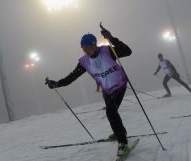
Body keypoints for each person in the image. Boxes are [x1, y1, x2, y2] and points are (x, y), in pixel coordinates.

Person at [45, 27, 132, 157]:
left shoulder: (108, 51)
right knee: (112, 112)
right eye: (83, 48)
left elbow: (127, 51)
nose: (86, 50)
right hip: (107, 89)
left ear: (94, 45)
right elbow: (72, 77)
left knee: (111, 111)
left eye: (87, 47)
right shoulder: (84, 62)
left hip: (119, 85)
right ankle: (120, 131)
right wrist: (57, 83)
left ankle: (123, 143)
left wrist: (112, 38)